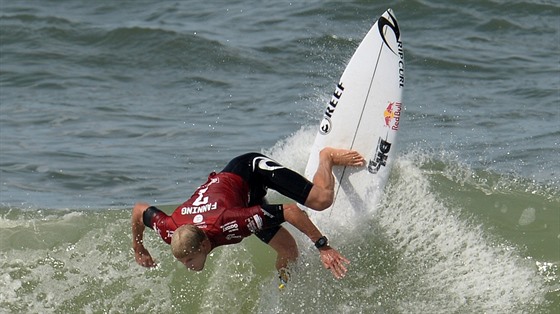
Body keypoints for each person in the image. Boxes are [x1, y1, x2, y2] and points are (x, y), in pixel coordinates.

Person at [131, 147, 365, 283]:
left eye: (189, 259)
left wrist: (323, 246)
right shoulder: (170, 229)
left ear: (203, 245)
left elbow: (291, 211)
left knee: (321, 200)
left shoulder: (231, 223)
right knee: (289, 250)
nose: (186, 265)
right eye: (182, 261)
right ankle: (284, 286)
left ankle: (327, 158)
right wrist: (139, 248)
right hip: (237, 197)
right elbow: (139, 210)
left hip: (250, 170)